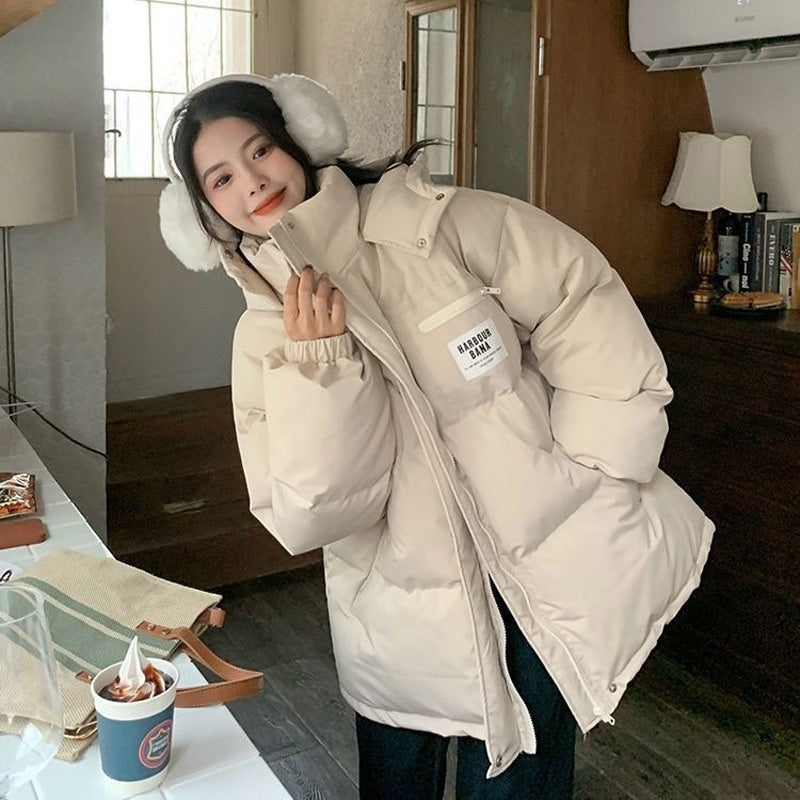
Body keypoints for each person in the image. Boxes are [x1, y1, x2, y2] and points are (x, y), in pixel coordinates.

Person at [159, 73, 714, 800]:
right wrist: (321, 366)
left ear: (300, 140)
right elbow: (312, 514)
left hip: (537, 575)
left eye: (260, 150)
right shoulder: (265, 337)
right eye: (222, 178)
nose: (252, 182)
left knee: (524, 781)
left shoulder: (440, 225)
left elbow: (580, 299)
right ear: (206, 210)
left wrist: (598, 459)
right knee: (398, 781)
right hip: (397, 611)